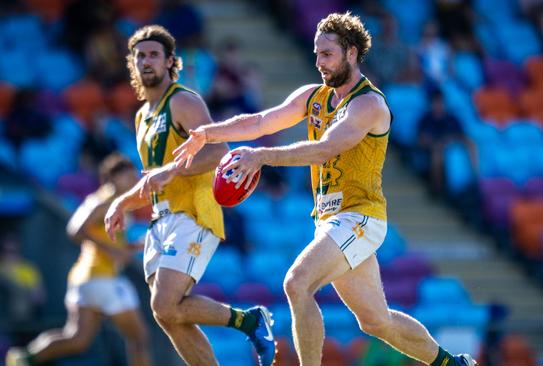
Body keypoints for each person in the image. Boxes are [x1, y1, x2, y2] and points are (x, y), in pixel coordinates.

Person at [173, 12, 476, 366]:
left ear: (350, 52)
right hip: (333, 220)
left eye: (327, 54)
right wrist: (208, 133)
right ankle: (452, 364)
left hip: (359, 218)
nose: (318, 62)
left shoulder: (368, 104)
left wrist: (261, 156)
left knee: (297, 283)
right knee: (376, 321)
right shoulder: (314, 96)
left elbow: (326, 148)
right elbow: (260, 121)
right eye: (316, 54)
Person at [103, 25, 275, 366]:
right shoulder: (141, 116)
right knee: (169, 315)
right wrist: (121, 203)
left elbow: (218, 153)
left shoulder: (182, 100)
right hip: (160, 219)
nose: (146, 61)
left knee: (163, 305)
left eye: (154, 55)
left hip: (192, 213)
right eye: (140, 56)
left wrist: (174, 170)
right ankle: (246, 324)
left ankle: (249, 321)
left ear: (170, 62)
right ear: (132, 63)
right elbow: (154, 179)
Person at [5, 153, 149, 366]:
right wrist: (112, 250)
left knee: (77, 340)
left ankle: (24, 358)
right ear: (111, 179)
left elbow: (110, 244)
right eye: (127, 177)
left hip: (88, 280)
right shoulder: (104, 201)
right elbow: (74, 229)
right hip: (102, 279)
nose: (132, 182)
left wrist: (134, 246)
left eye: (133, 177)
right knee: (138, 338)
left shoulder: (118, 204)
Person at [416, 91, 477, 197]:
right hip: (434, 149)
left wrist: (448, 141)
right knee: (437, 153)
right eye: (436, 103)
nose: (438, 105)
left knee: (471, 145)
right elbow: (421, 140)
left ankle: (475, 178)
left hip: (453, 148)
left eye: (441, 102)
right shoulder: (426, 119)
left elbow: (461, 136)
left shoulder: (452, 119)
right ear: (431, 104)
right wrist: (436, 143)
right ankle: (437, 188)